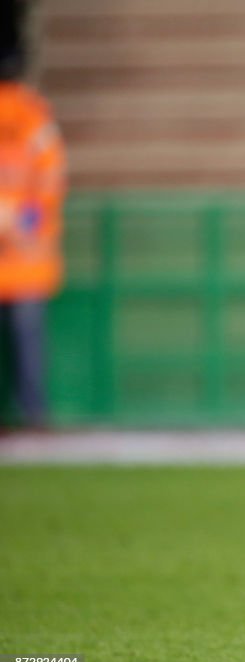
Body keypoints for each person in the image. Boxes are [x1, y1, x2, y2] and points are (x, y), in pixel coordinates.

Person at [0, 53, 66, 429]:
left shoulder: (33, 120)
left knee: (27, 343)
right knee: (28, 343)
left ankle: (32, 413)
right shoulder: (35, 120)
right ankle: (33, 416)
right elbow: (50, 188)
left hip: (25, 260)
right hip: (28, 261)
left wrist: (9, 221)